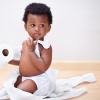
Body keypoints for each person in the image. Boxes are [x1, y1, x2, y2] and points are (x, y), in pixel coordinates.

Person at [8, 2, 55, 96]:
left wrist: (31, 52)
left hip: (37, 79)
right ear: (26, 26)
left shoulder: (45, 46)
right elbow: (23, 61)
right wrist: (9, 59)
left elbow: (43, 67)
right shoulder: (26, 43)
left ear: (49, 28)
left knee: (18, 91)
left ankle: (24, 92)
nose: (37, 29)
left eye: (42, 25)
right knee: (11, 85)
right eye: (33, 25)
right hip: (24, 76)